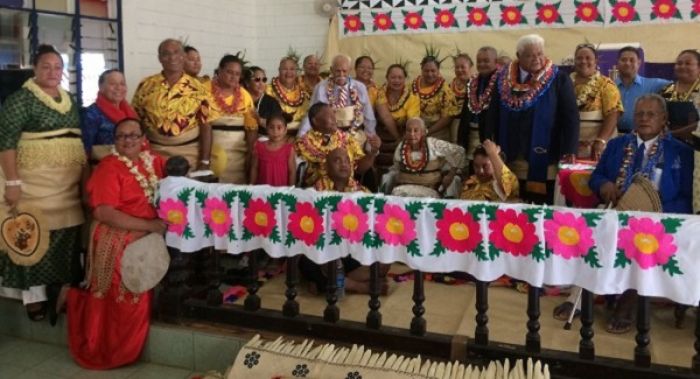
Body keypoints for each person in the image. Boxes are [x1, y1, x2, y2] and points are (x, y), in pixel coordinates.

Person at [553, 94, 693, 333]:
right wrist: (604, 185)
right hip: (617, 212)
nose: (644, 119)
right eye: (639, 114)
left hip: (659, 221)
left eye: (651, 114)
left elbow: (686, 195)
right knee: (593, 230)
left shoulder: (681, 152)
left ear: (663, 119)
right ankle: (579, 294)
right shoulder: (618, 145)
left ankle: (628, 302)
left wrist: (659, 216)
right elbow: (597, 177)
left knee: (644, 241)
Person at [67, 118, 167, 368]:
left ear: (144, 138)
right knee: (124, 298)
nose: (128, 140)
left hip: (146, 236)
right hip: (118, 237)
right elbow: (104, 213)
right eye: (122, 136)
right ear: (115, 140)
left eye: (134, 135)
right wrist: (150, 227)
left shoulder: (152, 160)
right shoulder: (109, 168)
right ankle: (112, 348)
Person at [0, 45, 86, 321]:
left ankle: (61, 290)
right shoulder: (20, 100)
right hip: (32, 185)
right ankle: (33, 297)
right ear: (35, 69)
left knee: (65, 239)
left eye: (57, 67)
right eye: (46, 66)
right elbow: (6, 143)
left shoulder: (70, 98)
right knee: (33, 238)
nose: (52, 72)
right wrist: (12, 181)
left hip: (66, 187)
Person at [495, 34, 579, 204]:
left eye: (540, 54)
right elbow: (493, 114)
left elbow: (570, 116)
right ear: (519, 56)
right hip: (510, 153)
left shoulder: (559, 78)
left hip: (546, 154)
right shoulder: (504, 79)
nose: (537, 58)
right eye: (530, 55)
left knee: (540, 207)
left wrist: (570, 149)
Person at [300, 147, 389, 295]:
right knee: (309, 262)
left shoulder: (362, 193)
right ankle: (360, 286)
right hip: (326, 251)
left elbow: (374, 227)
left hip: (351, 251)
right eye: (337, 160)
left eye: (347, 160)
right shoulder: (314, 193)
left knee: (385, 260)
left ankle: (330, 282)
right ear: (326, 167)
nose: (344, 164)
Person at [131, 39, 212, 171]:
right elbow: (136, 120)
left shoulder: (199, 88)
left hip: (189, 154)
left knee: (185, 191)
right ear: (160, 58)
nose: (172, 57)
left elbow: (206, 125)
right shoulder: (146, 85)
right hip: (153, 155)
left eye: (176, 52)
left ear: (183, 56)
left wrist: (205, 161)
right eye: (166, 54)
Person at [298, 54, 377, 147]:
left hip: (355, 135)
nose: (341, 75)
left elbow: (369, 117)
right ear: (331, 70)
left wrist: (371, 138)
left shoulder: (360, 87)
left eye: (344, 71)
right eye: (338, 71)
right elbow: (310, 115)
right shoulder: (321, 87)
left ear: (350, 70)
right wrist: (301, 137)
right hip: (328, 136)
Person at [295, 102, 380, 187]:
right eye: (330, 117)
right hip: (316, 194)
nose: (335, 119)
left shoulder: (347, 139)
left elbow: (359, 169)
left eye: (334, 116)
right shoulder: (302, 144)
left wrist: (372, 152)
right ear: (316, 121)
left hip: (347, 191)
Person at [206, 54, 257, 184]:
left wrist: (250, 155)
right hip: (211, 153)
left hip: (238, 157)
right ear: (220, 70)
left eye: (237, 74)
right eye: (229, 72)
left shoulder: (245, 96)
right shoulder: (205, 90)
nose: (233, 77)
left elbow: (251, 129)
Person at [387, 117, 466, 198]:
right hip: (403, 188)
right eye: (409, 130)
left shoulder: (433, 144)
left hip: (430, 189)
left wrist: (451, 174)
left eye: (416, 130)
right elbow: (396, 167)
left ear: (423, 132)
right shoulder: (401, 146)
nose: (412, 134)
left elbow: (459, 151)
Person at [571, 44, 623, 160]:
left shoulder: (606, 84)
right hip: (571, 147)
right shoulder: (566, 83)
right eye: (579, 58)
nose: (583, 61)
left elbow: (613, 114)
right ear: (574, 61)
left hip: (597, 145)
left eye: (588, 58)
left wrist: (601, 140)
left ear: (596, 61)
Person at [82, 69, 139, 163]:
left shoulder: (130, 112)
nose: (118, 88)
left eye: (122, 84)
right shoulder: (91, 114)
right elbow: (85, 150)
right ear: (101, 87)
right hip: (104, 167)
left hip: (131, 164)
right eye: (113, 84)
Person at [375, 64, 421, 173]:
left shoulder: (412, 98)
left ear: (405, 79)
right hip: (380, 136)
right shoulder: (379, 93)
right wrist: (397, 138)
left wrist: (402, 139)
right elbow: (385, 117)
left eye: (400, 78)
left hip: (403, 135)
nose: (396, 81)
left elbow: (412, 122)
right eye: (393, 77)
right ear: (387, 78)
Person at [615, 46, 670, 134]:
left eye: (632, 60)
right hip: (612, 137)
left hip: (641, 137)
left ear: (639, 63)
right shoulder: (609, 87)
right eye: (623, 60)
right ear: (617, 63)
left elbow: (678, 85)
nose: (627, 63)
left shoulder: (653, 85)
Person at [458, 46, 500, 161]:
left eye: (486, 61)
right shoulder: (472, 82)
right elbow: (465, 113)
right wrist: (461, 140)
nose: (482, 64)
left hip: (490, 137)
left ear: (496, 62)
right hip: (471, 135)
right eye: (479, 61)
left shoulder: (502, 83)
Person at [412, 54, 460, 142]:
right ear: (421, 70)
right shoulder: (412, 86)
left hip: (438, 133)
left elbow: (447, 117)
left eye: (433, 71)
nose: (430, 74)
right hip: (415, 131)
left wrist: (427, 132)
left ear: (438, 71)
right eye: (426, 71)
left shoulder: (445, 91)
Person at [660, 49, 700, 142]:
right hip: (670, 143)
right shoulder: (667, 90)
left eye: (688, 63)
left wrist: (674, 133)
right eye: (679, 63)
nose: (682, 66)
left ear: (699, 68)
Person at [267, 56, 310, 136]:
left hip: (302, 135)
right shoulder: (268, 91)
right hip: (276, 136)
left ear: (296, 72)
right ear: (279, 71)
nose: (288, 72)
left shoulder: (304, 92)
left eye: (292, 69)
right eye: (285, 69)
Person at [249, 114, 296, 187]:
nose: (275, 131)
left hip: (282, 191)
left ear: (285, 130)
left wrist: (291, 190)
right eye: (271, 128)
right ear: (266, 129)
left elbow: (292, 171)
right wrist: (251, 187)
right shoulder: (259, 147)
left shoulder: (289, 149)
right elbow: (254, 168)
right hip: (262, 191)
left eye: (279, 128)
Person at [243, 66, 282, 136]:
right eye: (257, 80)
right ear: (247, 83)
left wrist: (259, 120)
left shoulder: (272, 103)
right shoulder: (240, 99)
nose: (261, 83)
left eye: (264, 80)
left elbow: (279, 126)